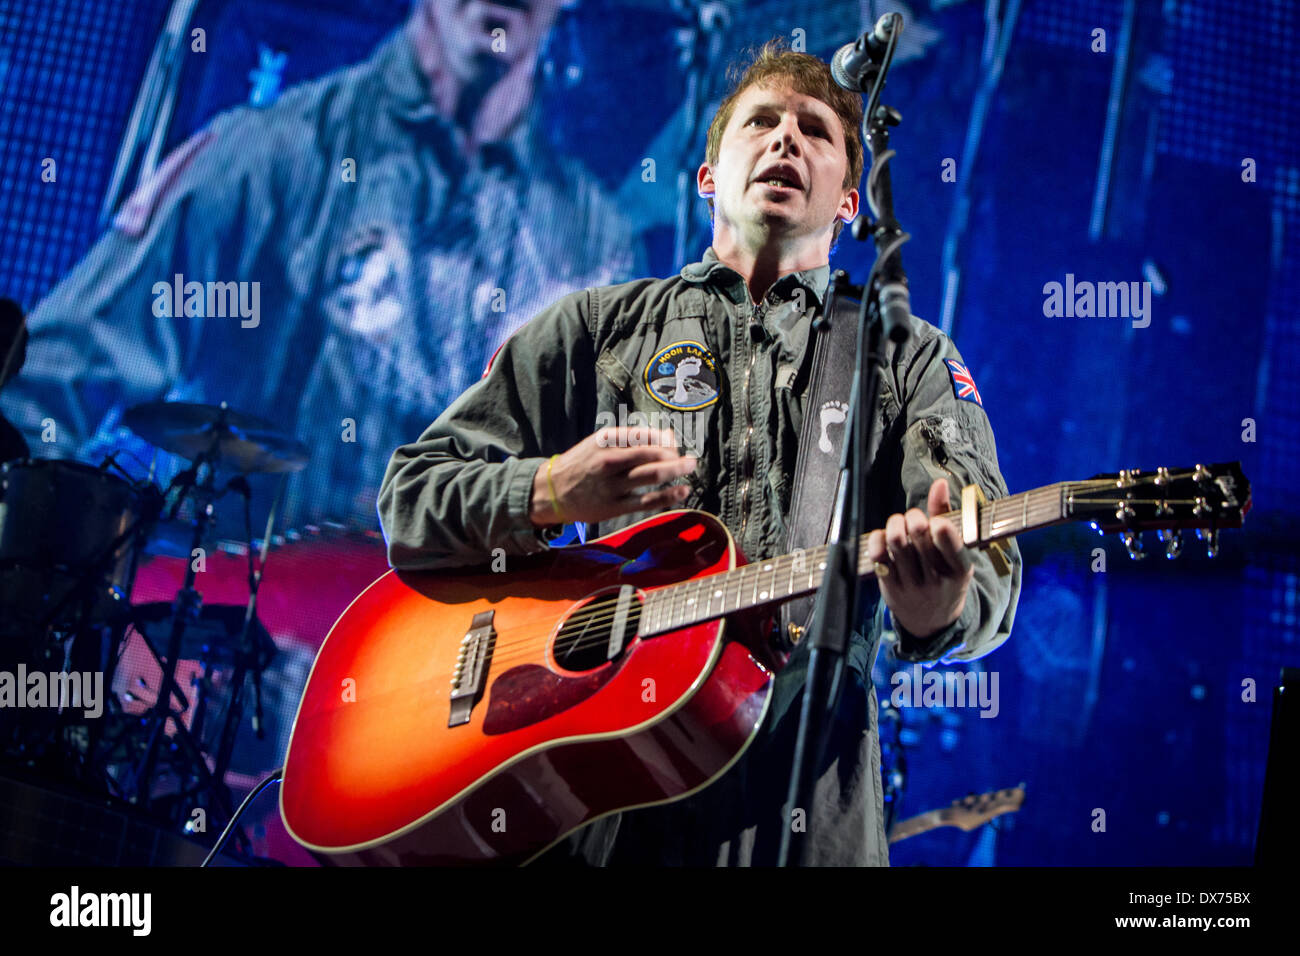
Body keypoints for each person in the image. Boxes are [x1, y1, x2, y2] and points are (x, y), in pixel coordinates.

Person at [377, 39, 1022, 866]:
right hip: (601, 797)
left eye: (816, 132)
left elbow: (987, 563)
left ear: (852, 202)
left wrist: (940, 611)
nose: (787, 141)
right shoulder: (595, 329)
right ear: (708, 177)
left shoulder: (907, 355)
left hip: (808, 796)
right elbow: (411, 499)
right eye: (761, 122)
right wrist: (547, 489)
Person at [1, 0, 639, 528]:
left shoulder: (591, 239)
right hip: (254, 652)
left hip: (476, 663)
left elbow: (626, 496)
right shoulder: (274, 155)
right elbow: (48, 384)